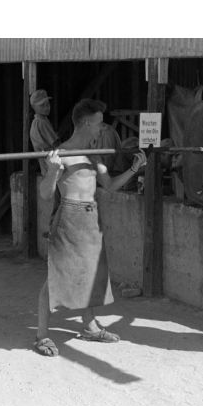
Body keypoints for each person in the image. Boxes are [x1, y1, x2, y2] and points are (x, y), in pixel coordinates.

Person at [33, 99, 147, 357]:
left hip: (91, 218)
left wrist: (134, 168)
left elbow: (110, 185)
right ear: (85, 123)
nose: (101, 129)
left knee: (92, 275)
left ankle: (90, 326)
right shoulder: (60, 154)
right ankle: (42, 336)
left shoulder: (94, 156)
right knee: (55, 280)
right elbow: (45, 194)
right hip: (69, 219)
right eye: (98, 124)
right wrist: (52, 171)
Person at [29, 89, 61, 176]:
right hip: (51, 162)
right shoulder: (41, 122)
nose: (47, 107)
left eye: (47, 104)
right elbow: (56, 143)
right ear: (34, 107)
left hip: (45, 162)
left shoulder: (38, 121)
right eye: (42, 105)